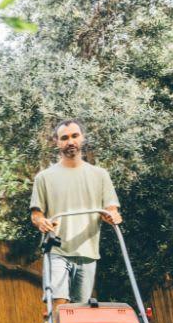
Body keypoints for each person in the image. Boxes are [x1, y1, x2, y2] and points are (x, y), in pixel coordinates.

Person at [29, 118, 123, 307]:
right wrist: (41, 222)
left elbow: (113, 210)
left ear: (82, 138)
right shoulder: (44, 178)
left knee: (80, 310)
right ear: (57, 142)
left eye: (74, 136)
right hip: (57, 250)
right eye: (64, 138)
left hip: (87, 252)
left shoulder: (100, 175)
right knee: (60, 304)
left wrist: (112, 217)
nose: (70, 141)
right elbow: (36, 214)